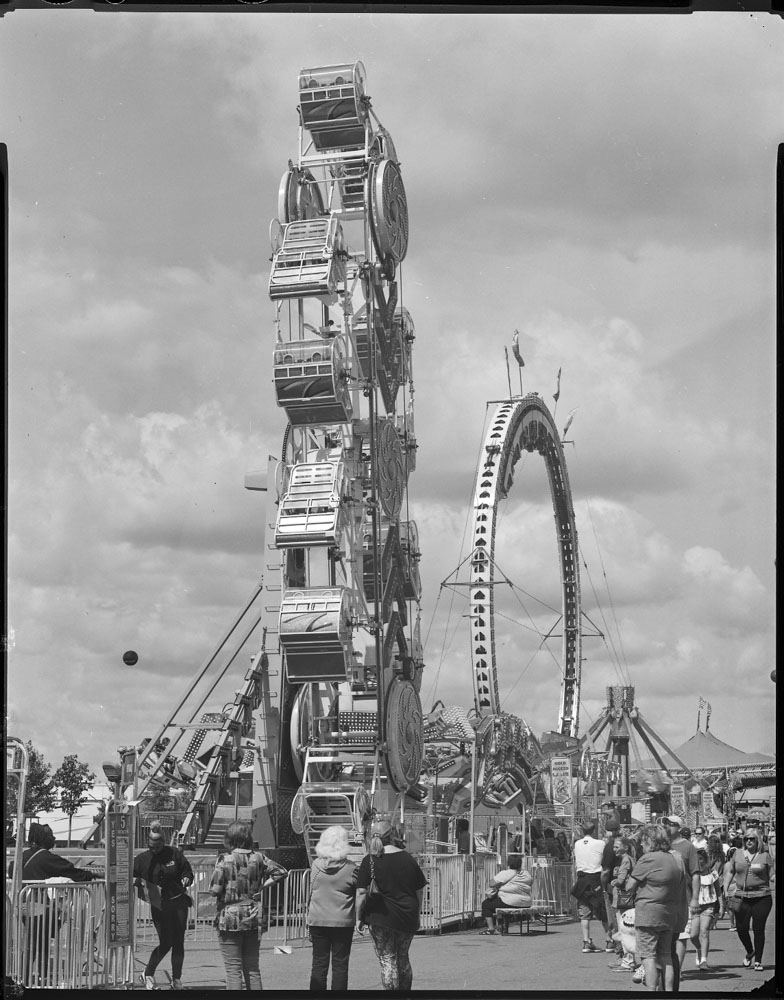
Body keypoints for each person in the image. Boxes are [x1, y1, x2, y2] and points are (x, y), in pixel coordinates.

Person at [13, 823, 100, 986]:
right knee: (37, 943)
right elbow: (70, 870)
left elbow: (12, 869)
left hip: (22, 904)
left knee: (38, 941)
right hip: (38, 906)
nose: (53, 838)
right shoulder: (46, 857)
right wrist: (93, 875)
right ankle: (28, 979)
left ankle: (36, 977)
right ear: (43, 838)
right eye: (51, 835)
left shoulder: (23, 855)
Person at [210, 820, 288, 991]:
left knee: (233, 970)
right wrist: (262, 885)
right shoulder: (259, 857)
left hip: (229, 917)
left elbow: (215, 889)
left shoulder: (224, 859)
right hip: (253, 915)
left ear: (230, 838)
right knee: (252, 968)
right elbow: (281, 872)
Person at [355, 819, 427, 991]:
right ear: (393, 835)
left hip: (380, 917)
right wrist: (417, 912)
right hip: (407, 916)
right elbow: (419, 890)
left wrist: (359, 918)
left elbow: (360, 893)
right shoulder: (408, 859)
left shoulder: (370, 860)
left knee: (388, 959)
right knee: (403, 958)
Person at [133, 820, 194, 991]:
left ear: (163, 843)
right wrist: (135, 883)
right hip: (159, 905)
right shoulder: (142, 859)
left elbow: (187, 871)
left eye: (157, 847)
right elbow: (129, 875)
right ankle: (148, 972)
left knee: (179, 942)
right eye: (151, 846)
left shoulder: (174, 854)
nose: (154, 850)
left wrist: (187, 878)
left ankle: (176, 979)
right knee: (166, 942)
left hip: (179, 902)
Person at [626, 823, 685, 992]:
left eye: (643, 843)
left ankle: (651, 991)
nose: (642, 846)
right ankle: (668, 991)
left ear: (651, 841)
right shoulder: (673, 858)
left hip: (648, 913)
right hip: (668, 913)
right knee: (665, 955)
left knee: (648, 956)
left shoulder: (648, 858)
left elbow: (630, 886)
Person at [307, 825, 358, 991]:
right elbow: (360, 891)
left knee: (318, 964)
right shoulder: (351, 868)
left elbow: (309, 889)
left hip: (317, 919)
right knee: (340, 965)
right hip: (342, 921)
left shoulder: (316, 865)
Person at [723, 827, 775, 972]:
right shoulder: (737, 854)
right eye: (746, 839)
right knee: (741, 928)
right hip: (740, 896)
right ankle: (750, 951)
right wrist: (726, 888)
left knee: (759, 929)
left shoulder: (764, 856)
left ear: (758, 840)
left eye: (752, 839)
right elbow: (730, 871)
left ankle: (758, 960)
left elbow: (771, 875)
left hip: (762, 897)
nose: (749, 841)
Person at [663, 815, 699, 992]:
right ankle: (669, 970)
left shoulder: (688, 847)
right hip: (664, 900)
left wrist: (695, 899)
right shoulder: (662, 845)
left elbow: (696, 874)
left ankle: (678, 969)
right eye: (666, 824)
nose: (667, 827)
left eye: (671, 824)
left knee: (681, 937)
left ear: (678, 827)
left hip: (683, 899)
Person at [572, 820, 610, 953]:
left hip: (582, 878)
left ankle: (586, 941)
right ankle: (609, 940)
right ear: (594, 831)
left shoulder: (577, 844)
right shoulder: (600, 843)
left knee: (584, 910)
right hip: (595, 878)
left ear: (583, 831)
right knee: (602, 910)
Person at [479, 854, 533, 934]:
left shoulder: (506, 873)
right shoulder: (526, 874)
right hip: (526, 902)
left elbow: (492, 883)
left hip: (509, 901)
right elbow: (531, 883)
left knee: (486, 904)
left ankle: (491, 929)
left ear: (508, 863)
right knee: (504, 904)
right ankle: (504, 927)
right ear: (520, 864)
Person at [688, 846, 720, 969]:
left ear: (704, 859)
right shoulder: (691, 874)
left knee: (704, 931)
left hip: (709, 905)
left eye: (701, 859)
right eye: (696, 859)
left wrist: (721, 905)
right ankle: (699, 948)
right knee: (693, 935)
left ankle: (704, 960)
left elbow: (718, 890)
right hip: (695, 907)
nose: (699, 862)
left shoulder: (712, 872)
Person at [609, 837, 637, 973]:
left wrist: (615, 880)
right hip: (629, 898)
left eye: (616, 846)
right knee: (627, 930)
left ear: (625, 847)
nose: (614, 849)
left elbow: (620, 880)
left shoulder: (626, 860)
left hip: (623, 899)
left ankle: (628, 961)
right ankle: (628, 960)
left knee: (624, 931)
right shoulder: (630, 859)